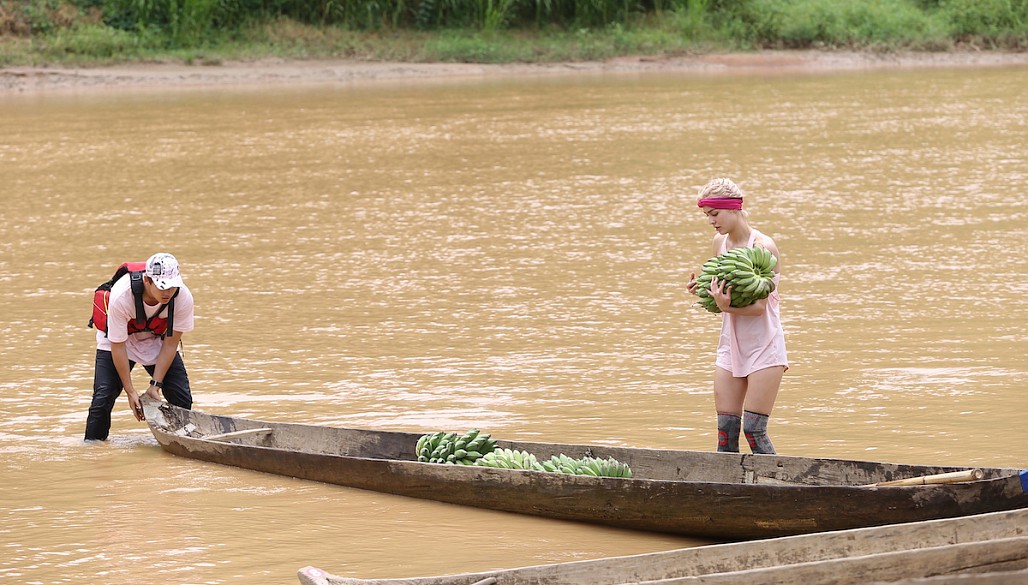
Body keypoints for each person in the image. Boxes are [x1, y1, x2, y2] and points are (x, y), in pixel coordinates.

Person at [686, 178, 788, 454]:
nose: (711, 221)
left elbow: (757, 307)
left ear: (733, 209)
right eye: (707, 216)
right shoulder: (719, 243)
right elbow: (724, 292)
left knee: (754, 431)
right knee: (725, 434)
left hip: (764, 346)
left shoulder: (764, 247)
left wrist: (725, 307)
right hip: (731, 346)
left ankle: (776, 490)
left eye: (714, 214)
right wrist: (704, 292)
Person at [84, 252, 194, 441]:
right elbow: (117, 346)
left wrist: (155, 385)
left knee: (182, 398)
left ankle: (179, 443)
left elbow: (171, 343)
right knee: (102, 399)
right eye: (162, 287)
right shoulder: (122, 296)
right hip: (119, 340)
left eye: (172, 286)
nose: (168, 293)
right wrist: (130, 391)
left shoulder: (182, 297)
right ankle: (93, 447)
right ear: (147, 281)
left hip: (156, 339)